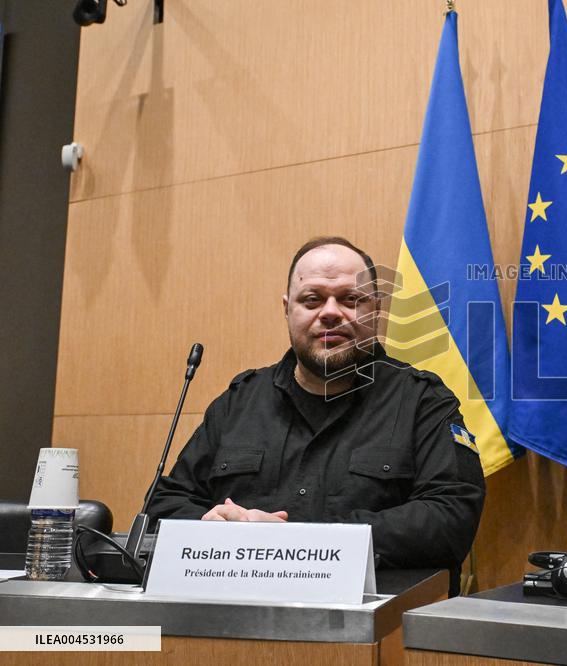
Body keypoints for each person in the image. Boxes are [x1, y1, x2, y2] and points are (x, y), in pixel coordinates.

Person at [148, 236, 487, 592]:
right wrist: (214, 525)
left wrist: (302, 542)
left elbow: (452, 518)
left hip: (375, 629)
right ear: (286, 309)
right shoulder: (239, 402)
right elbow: (162, 507)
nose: (329, 312)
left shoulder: (422, 400)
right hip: (232, 616)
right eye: (312, 299)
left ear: (377, 309)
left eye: (350, 299)